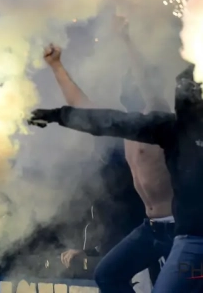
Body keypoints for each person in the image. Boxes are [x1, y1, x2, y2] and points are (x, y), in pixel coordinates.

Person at [29, 64, 203, 293]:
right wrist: (57, 115)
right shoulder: (169, 128)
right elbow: (107, 121)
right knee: (108, 275)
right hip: (175, 234)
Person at [44, 20, 174, 293]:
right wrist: (57, 67)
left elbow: (148, 82)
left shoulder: (160, 122)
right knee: (108, 275)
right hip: (150, 228)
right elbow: (82, 107)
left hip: (178, 226)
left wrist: (127, 39)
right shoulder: (124, 126)